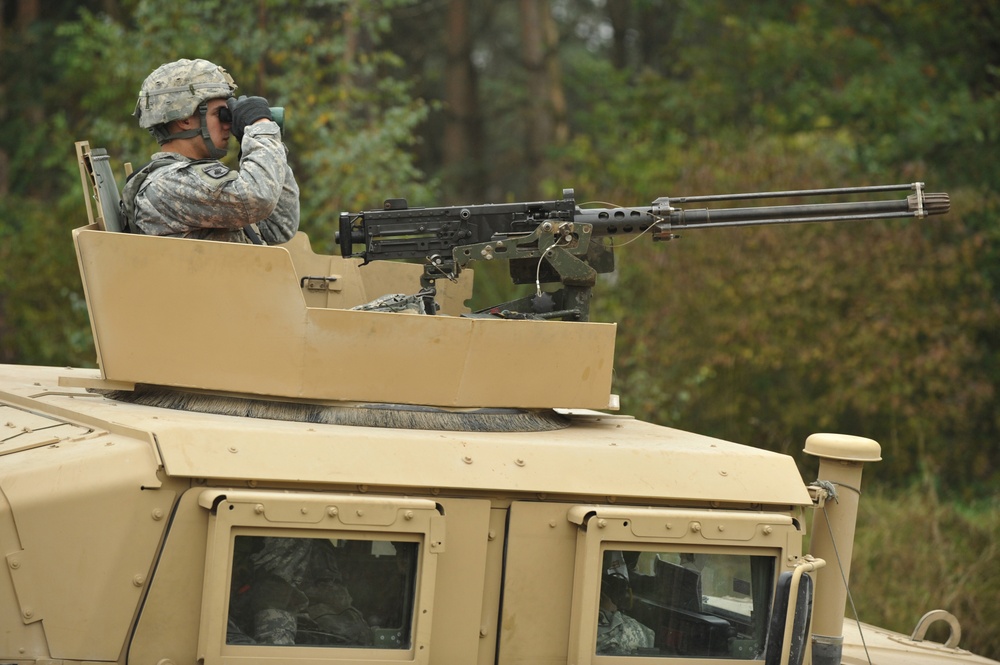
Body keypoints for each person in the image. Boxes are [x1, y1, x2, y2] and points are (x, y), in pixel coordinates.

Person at [123, 58, 299, 244]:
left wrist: (256, 139)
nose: (228, 125)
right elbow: (259, 198)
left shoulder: (198, 178)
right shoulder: (168, 184)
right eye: (220, 114)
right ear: (185, 119)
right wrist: (259, 127)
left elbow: (280, 228)